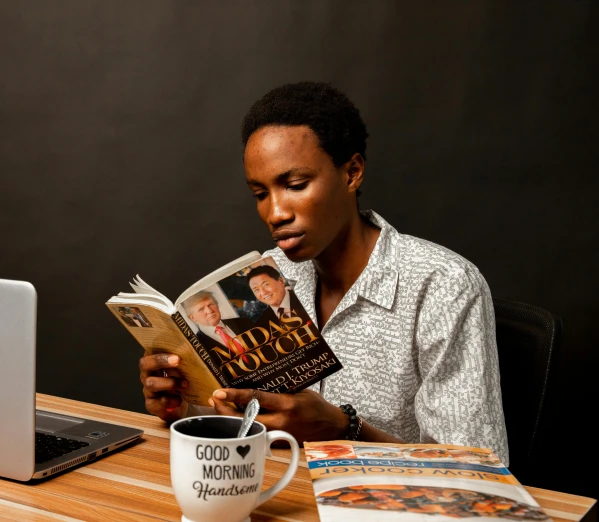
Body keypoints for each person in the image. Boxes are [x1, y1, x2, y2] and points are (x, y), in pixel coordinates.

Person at [139, 81, 509, 465]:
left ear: (351, 173)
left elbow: (476, 473)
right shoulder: (265, 275)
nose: (275, 212)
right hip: (274, 494)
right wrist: (183, 403)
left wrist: (345, 429)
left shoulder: (443, 285)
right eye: (260, 194)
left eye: (295, 185)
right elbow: (247, 422)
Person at [181, 291, 254, 366]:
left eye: (211, 305)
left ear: (217, 306)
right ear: (193, 318)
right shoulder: (196, 347)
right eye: (201, 309)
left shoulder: (245, 323)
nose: (209, 311)